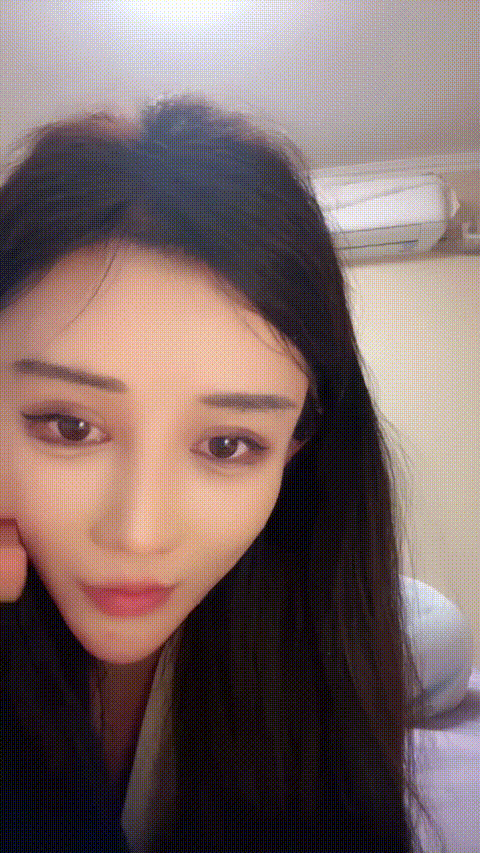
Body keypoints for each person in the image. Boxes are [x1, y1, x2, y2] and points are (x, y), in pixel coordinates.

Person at [0, 95, 443, 852]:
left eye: (230, 444)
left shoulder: (351, 653)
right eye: (70, 427)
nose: (139, 534)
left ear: (297, 448)